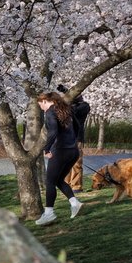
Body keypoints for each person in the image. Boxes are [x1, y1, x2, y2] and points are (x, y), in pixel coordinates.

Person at [35, 91, 83, 226]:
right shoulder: (67, 110)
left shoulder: (50, 112)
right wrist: (73, 141)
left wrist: (47, 148)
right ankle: (75, 203)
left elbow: (53, 131)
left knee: (49, 181)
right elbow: (78, 127)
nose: (41, 108)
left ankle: (49, 213)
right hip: (73, 151)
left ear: (45, 101)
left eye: (40, 105)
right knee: (58, 180)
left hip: (60, 151)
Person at [57, 84, 91, 190]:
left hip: (77, 138)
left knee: (76, 163)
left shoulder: (84, 106)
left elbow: (73, 112)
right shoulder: (69, 107)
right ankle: (66, 184)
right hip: (66, 138)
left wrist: (69, 100)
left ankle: (76, 186)